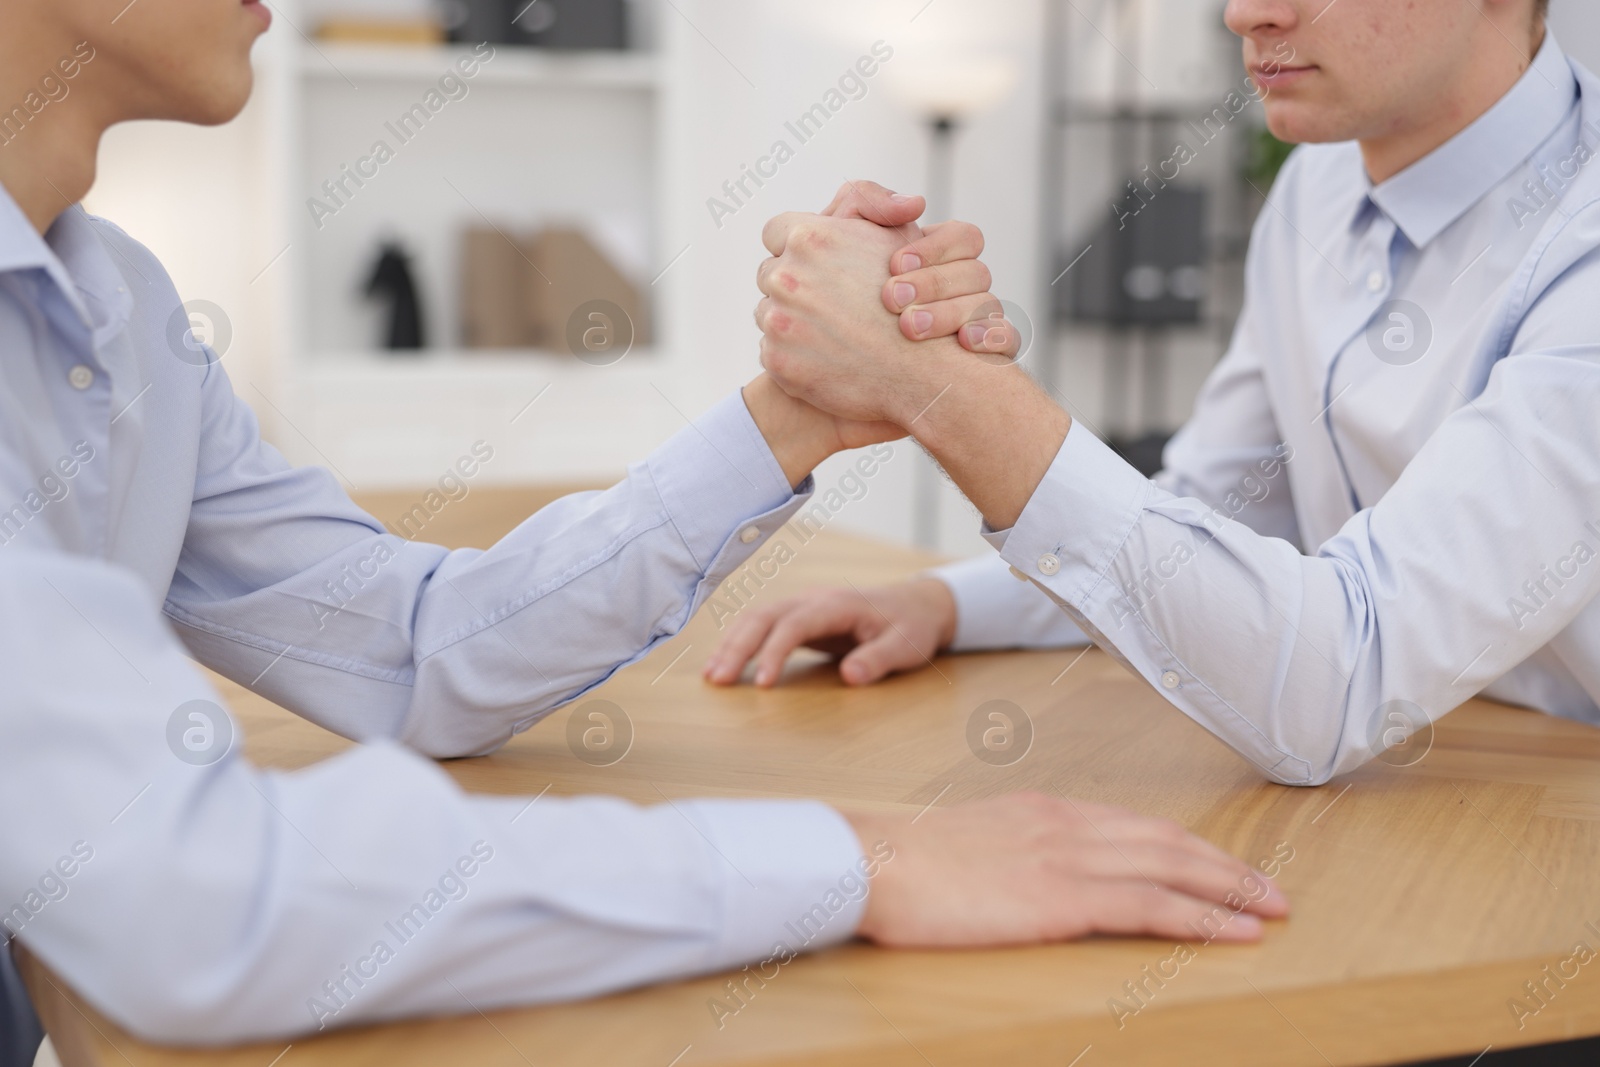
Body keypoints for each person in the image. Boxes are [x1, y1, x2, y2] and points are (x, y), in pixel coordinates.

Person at [0, 1, 1289, 1060]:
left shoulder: (115, 306)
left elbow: (416, 650)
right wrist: (854, 860)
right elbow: (194, 896)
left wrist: (791, 419)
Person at [720, 0, 1600, 786]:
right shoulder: (1319, 184)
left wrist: (941, 387)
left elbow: (1345, 679)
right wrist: (945, 604)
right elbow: (1210, 517)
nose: (1243, 14)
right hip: (1427, 786)